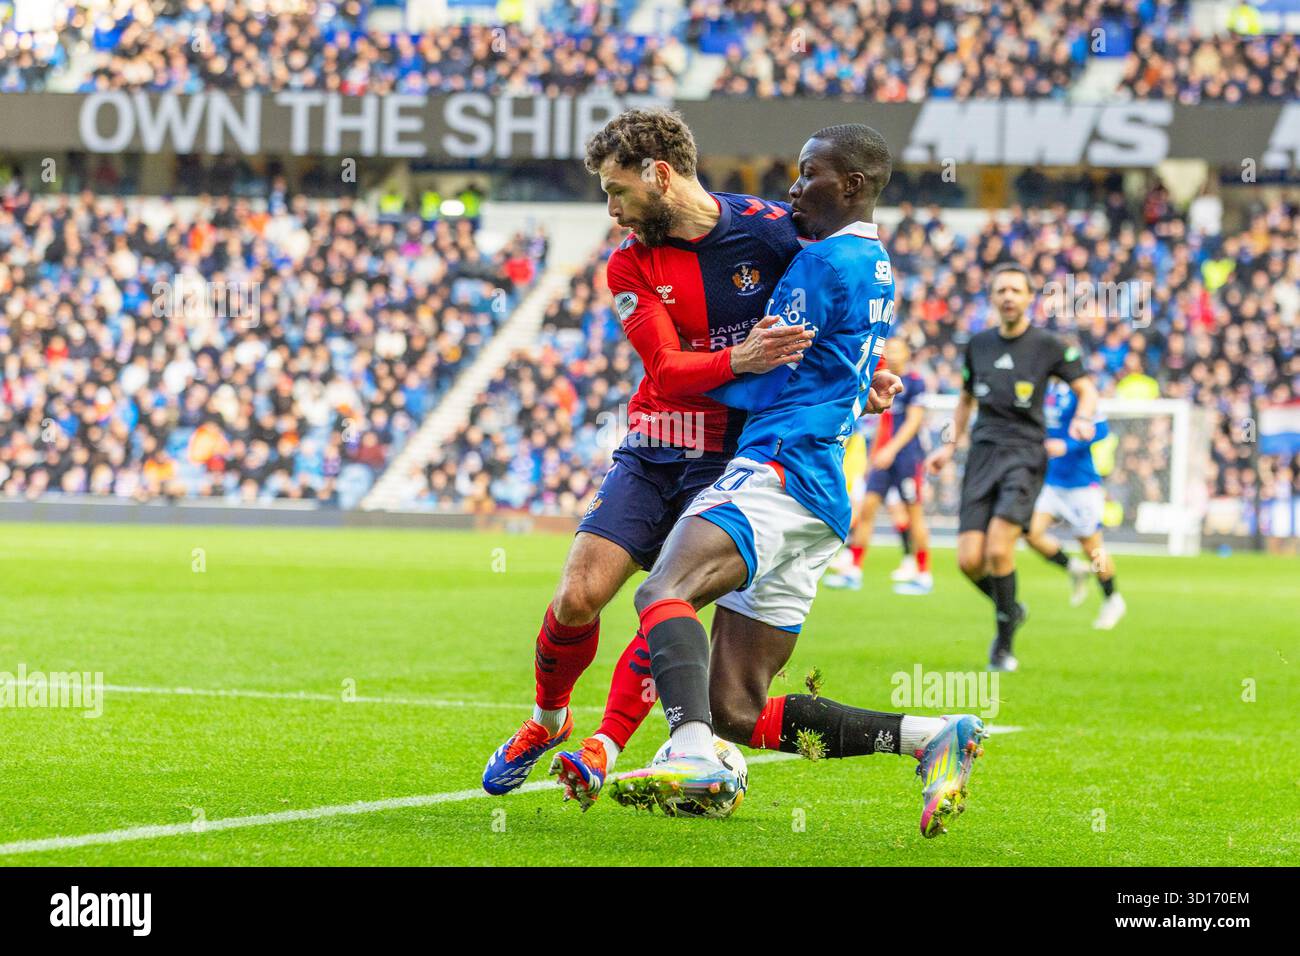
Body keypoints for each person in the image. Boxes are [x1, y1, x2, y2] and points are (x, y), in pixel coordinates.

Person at [606, 125, 989, 839]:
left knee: (663, 588)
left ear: (849, 185)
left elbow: (763, 372)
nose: (792, 186)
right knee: (738, 710)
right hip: (819, 497)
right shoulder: (873, 264)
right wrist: (857, 394)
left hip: (779, 470)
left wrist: (680, 387)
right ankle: (936, 735)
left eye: (809, 173)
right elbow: (825, 368)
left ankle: (688, 751)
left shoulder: (819, 266)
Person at [481, 108, 812, 801]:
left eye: (616, 190)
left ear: (660, 176)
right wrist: (740, 356)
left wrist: (870, 378)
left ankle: (605, 745)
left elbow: (834, 315)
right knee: (578, 596)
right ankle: (548, 720)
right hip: (656, 445)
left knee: (671, 596)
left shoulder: (773, 231)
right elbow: (663, 368)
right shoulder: (630, 261)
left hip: (734, 458)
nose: (611, 208)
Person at [926, 264, 1100, 672]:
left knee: (999, 549)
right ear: (992, 297)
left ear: (1028, 298)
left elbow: (1085, 388)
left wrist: (1084, 416)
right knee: (969, 560)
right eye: (1001, 289)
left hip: (1025, 454)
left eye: (1016, 290)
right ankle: (1011, 608)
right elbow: (966, 401)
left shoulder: (1049, 345)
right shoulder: (978, 344)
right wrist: (949, 446)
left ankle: (1003, 646)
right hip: (983, 454)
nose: (1008, 296)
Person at [824, 337, 933, 594]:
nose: (892, 354)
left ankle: (923, 573)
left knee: (914, 513)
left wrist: (890, 451)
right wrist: (875, 457)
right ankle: (854, 570)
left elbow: (913, 423)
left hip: (907, 457)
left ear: (908, 353)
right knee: (867, 511)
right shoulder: (881, 382)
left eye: (897, 349)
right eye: (889, 349)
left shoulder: (915, 383)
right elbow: (882, 424)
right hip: (883, 457)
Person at [1025, 380, 1127, 630]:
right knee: (1028, 531)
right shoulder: (1042, 388)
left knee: (1093, 549)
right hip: (1050, 482)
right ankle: (1072, 568)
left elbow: (1102, 430)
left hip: (1081, 485)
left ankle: (1112, 598)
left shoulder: (1081, 393)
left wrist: (1068, 446)